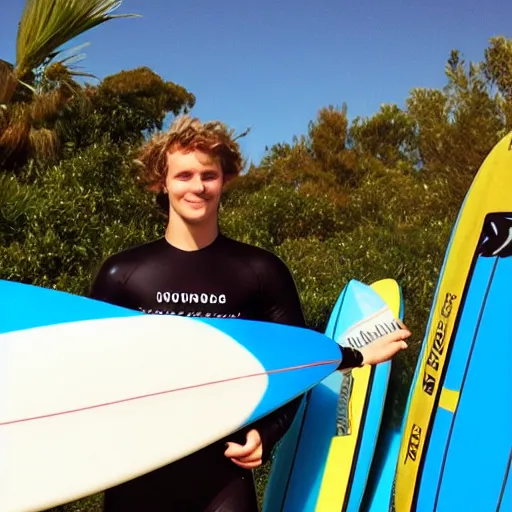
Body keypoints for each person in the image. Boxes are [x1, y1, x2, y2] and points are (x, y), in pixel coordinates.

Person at [89, 115, 410, 511]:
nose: (198, 186)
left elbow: (294, 361)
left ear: (225, 180)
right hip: (137, 472)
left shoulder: (259, 271)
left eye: (209, 175)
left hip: (224, 472)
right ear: (162, 182)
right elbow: (92, 368)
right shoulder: (123, 274)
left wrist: (266, 432)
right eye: (184, 175)